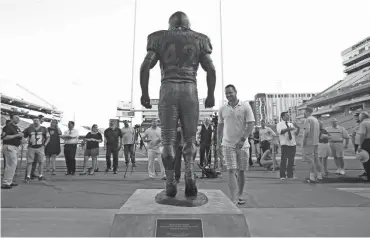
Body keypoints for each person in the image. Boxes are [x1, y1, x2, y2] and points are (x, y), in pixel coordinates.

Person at [139, 11, 216, 197]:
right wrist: (211, 94)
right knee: (190, 139)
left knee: (167, 140)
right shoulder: (199, 39)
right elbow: (211, 69)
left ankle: (171, 181)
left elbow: (145, 66)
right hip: (189, 88)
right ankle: (189, 175)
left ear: (170, 24)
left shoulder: (159, 38)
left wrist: (145, 93)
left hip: (168, 87)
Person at [217, 85, 255, 205]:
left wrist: (243, 139)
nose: (228, 95)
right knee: (231, 170)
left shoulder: (245, 106)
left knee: (242, 171)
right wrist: (218, 143)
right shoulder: (223, 108)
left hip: (243, 145)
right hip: (227, 144)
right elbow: (220, 127)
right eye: (226, 93)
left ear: (236, 92)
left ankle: (240, 194)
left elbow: (251, 124)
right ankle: (233, 198)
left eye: (230, 93)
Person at [24, 116, 50, 182]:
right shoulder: (29, 128)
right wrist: (23, 142)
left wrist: (44, 145)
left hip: (40, 147)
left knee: (41, 162)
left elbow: (48, 137)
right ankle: (28, 176)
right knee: (29, 162)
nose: (35, 122)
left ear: (39, 121)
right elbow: (23, 135)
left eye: (37, 120)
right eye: (34, 120)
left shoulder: (44, 129)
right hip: (31, 147)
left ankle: (40, 175)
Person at [276, 112, 300, 180]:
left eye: (288, 115)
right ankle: (282, 175)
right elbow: (280, 132)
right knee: (284, 160)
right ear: (282, 117)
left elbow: (295, 133)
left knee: (291, 160)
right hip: (285, 144)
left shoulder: (290, 124)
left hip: (292, 144)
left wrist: (298, 128)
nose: (288, 116)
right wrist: (288, 129)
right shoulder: (279, 124)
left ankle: (290, 175)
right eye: (287, 115)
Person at [1, 115, 22, 189]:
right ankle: (6, 182)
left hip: (14, 147)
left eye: (18, 118)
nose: (18, 119)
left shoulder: (16, 127)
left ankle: (9, 180)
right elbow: (4, 137)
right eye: (16, 118)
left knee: (13, 165)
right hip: (9, 146)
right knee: (11, 164)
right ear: (11, 119)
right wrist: (17, 135)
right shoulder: (8, 127)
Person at [302, 107, 322, 183]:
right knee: (316, 159)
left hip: (309, 142)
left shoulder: (308, 120)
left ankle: (312, 177)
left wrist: (304, 141)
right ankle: (319, 176)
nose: (304, 113)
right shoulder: (316, 120)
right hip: (316, 141)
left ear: (307, 112)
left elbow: (306, 132)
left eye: (304, 112)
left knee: (310, 160)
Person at [352, 112, 367, 177]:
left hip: (363, 143)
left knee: (366, 158)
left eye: (357, 116)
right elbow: (354, 133)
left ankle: (367, 171)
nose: (355, 117)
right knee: (362, 159)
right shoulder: (357, 124)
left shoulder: (364, 123)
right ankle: (366, 171)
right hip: (357, 143)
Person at [357, 111, 370, 181]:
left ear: (363, 117)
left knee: (365, 159)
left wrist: (360, 144)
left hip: (367, 142)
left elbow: (362, 134)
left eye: (360, 116)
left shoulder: (363, 123)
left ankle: (368, 176)